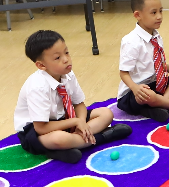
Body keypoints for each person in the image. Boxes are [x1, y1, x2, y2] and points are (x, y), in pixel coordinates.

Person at [14, 30, 132, 164]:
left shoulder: (68, 73)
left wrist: (80, 122)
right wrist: (75, 122)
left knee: (106, 113)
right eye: (57, 58)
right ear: (41, 65)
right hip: (36, 130)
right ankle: (103, 137)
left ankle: (72, 145)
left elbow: (79, 104)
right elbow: (41, 128)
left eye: (67, 52)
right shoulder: (37, 86)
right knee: (59, 139)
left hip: (65, 118)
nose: (66, 59)